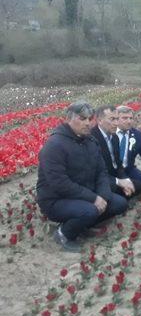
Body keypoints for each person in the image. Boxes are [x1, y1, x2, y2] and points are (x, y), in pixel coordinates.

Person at [36, 102, 128, 252]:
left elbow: (101, 172)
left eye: (89, 119)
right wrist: (93, 198)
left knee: (119, 203)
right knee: (90, 210)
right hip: (55, 199)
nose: (87, 123)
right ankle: (63, 234)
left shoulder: (90, 141)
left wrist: (103, 196)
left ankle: (80, 225)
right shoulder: (55, 145)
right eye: (82, 118)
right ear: (68, 119)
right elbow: (60, 183)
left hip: (82, 194)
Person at [90, 105, 135, 198]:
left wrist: (125, 179)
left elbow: (118, 164)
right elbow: (95, 172)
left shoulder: (114, 137)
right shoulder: (91, 139)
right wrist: (118, 182)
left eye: (117, 119)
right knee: (120, 203)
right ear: (99, 121)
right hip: (100, 180)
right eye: (112, 119)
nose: (116, 123)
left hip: (113, 175)